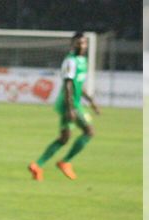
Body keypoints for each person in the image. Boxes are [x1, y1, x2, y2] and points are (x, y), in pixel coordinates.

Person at [28, 31, 100, 181]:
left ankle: (37, 165)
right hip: (69, 102)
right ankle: (65, 162)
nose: (82, 45)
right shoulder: (71, 61)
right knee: (89, 131)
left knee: (64, 138)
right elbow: (68, 84)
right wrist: (70, 108)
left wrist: (91, 101)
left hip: (74, 102)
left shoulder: (82, 60)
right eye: (79, 42)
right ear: (72, 44)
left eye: (84, 43)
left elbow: (79, 85)